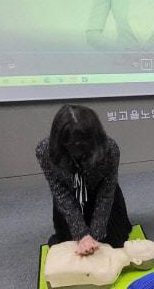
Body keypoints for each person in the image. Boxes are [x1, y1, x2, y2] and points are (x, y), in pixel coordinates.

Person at [36, 105, 132, 256]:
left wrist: (95, 235)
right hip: (70, 196)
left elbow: (106, 193)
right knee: (69, 248)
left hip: (100, 196)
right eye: (70, 145)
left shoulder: (110, 149)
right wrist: (81, 234)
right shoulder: (45, 151)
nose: (77, 150)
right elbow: (60, 193)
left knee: (111, 245)